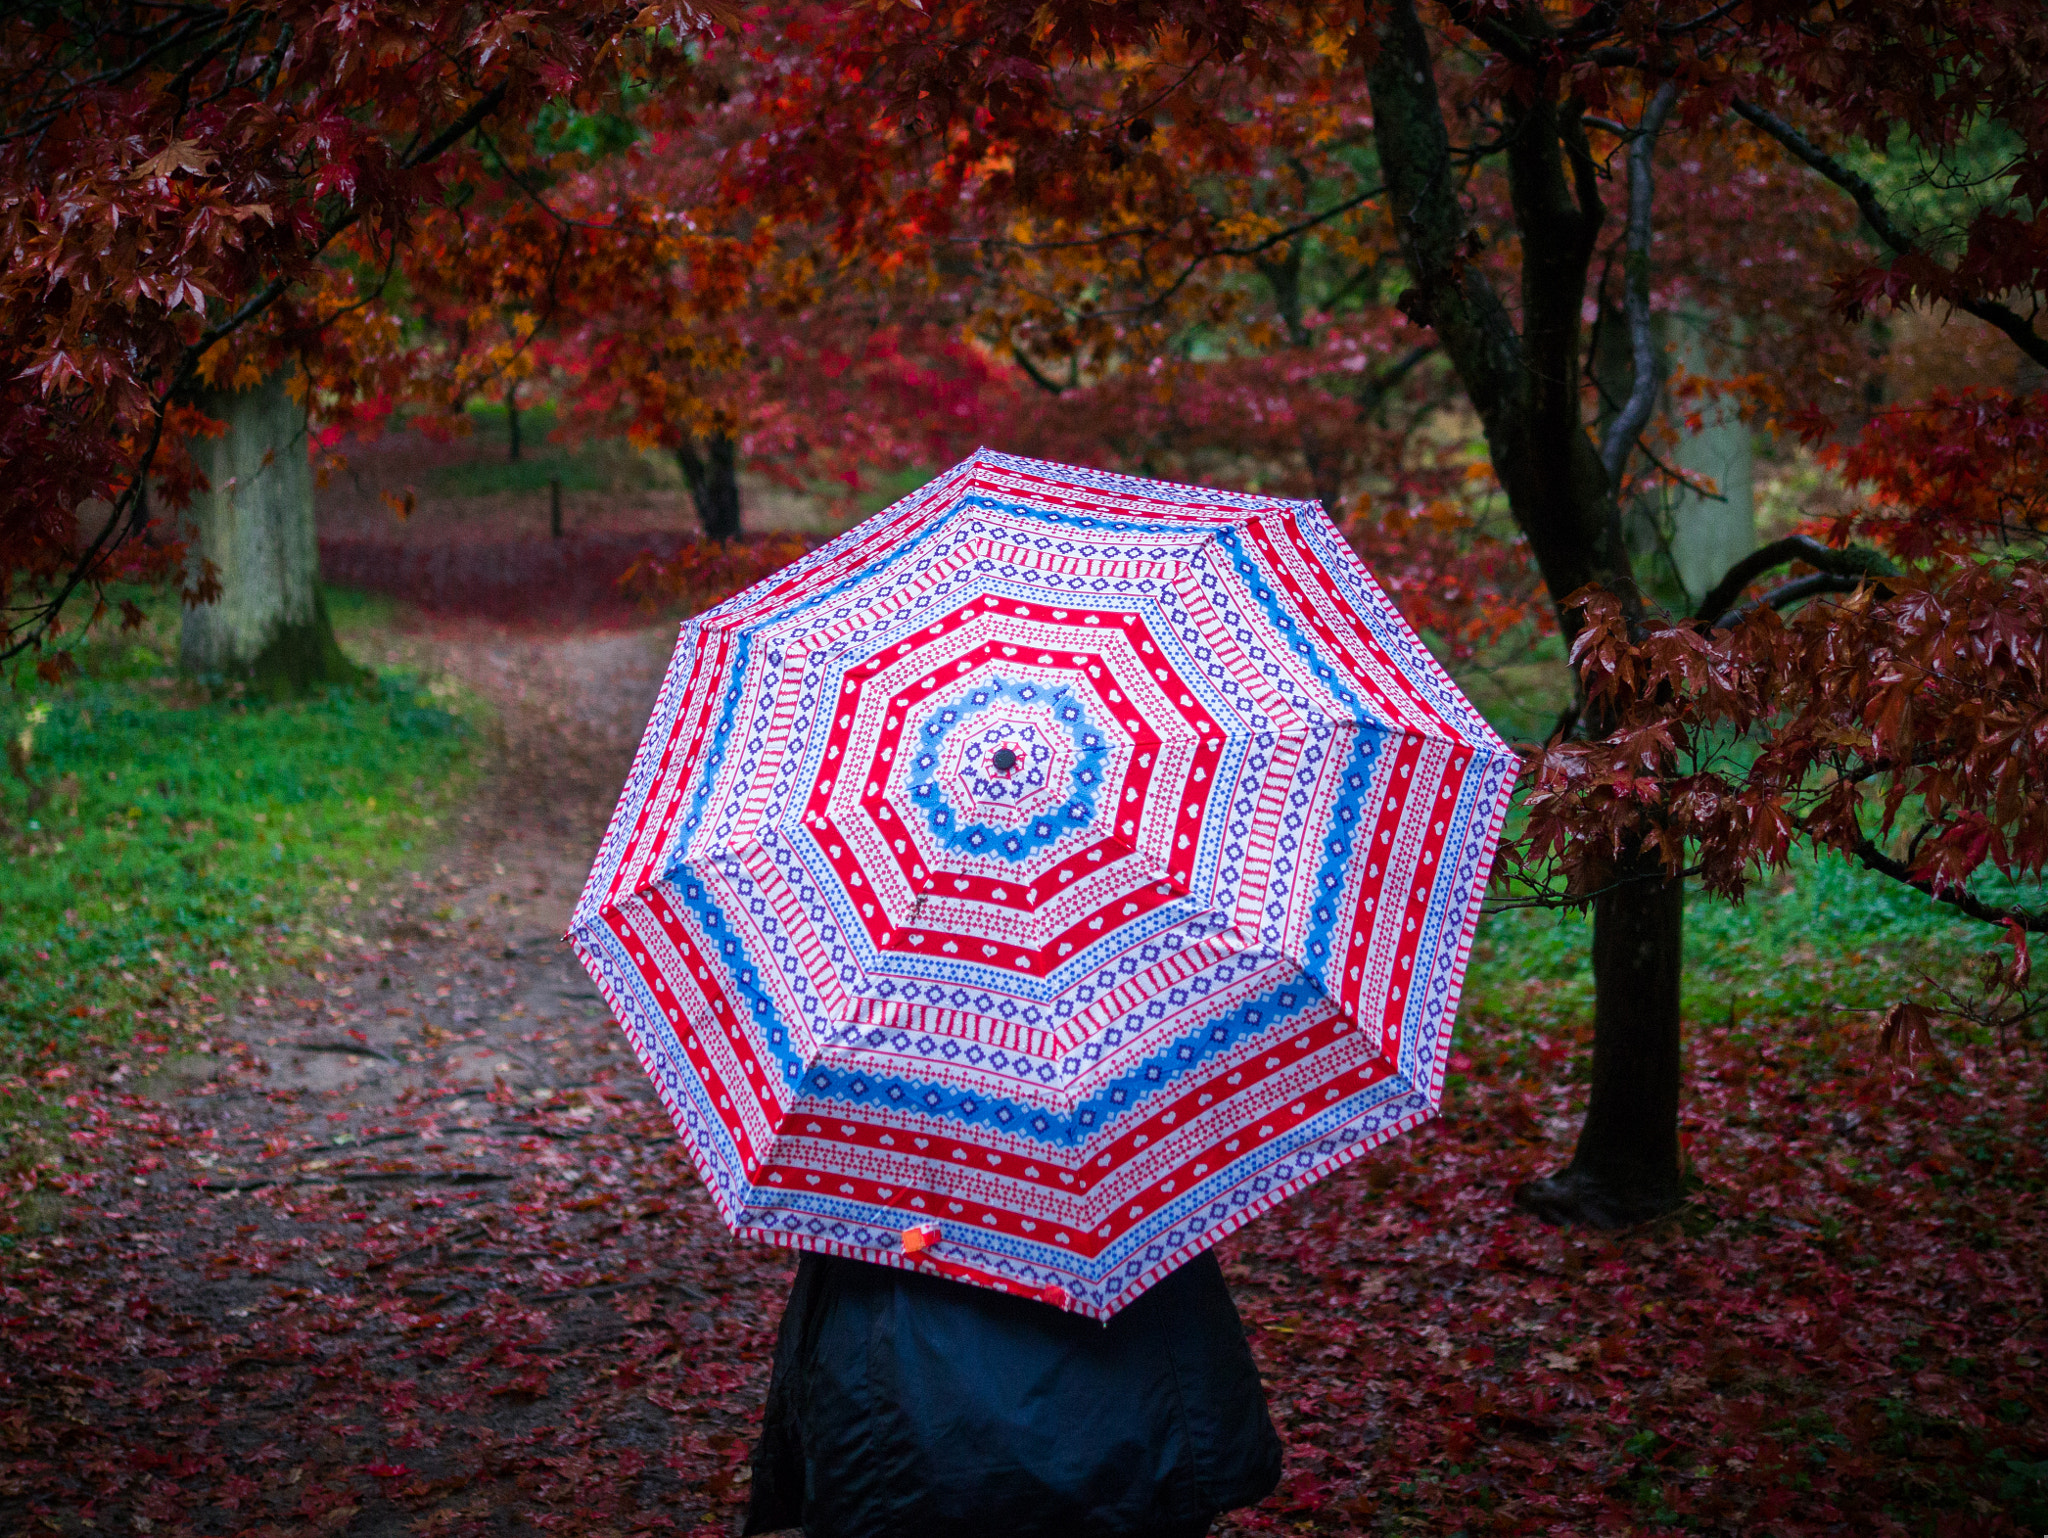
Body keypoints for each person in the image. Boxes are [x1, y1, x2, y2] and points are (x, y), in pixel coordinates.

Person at [744, 1249, 1282, 1538]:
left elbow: (836, 1398)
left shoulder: (866, 1166)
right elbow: (1203, 1396)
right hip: (1133, 1460)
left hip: (915, 1469)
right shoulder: (1142, 1187)